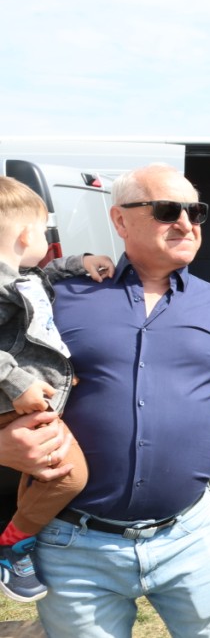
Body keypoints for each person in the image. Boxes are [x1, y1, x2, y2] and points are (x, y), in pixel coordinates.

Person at [30, 164, 210, 637]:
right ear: (120, 220)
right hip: (74, 547)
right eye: (168, 210)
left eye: (195, 211)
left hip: (189, 538)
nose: (186, 223)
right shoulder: (61, 298)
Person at [0, 177, 114, 602]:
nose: (48, 242)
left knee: (42, 475)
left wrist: (81, 262)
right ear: (25, 235)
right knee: (68, 478)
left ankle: (19, 536)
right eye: (45, 232)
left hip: (28, 401)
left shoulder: (21, 276)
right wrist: (17, 383)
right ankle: (13, 544)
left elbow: (44, 275)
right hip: (15, 402)